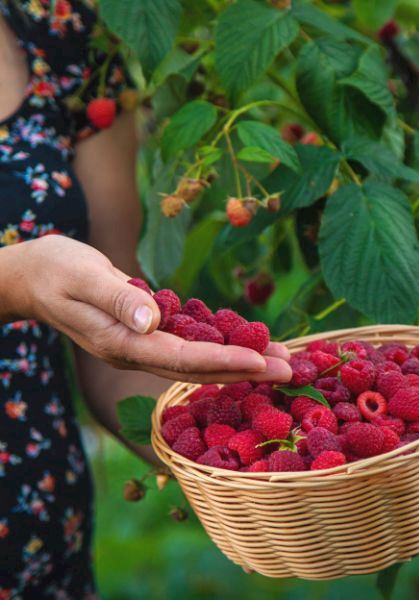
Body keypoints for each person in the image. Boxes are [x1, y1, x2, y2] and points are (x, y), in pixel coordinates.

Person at [0, 2, 292, 597]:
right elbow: (38, 278)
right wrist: (19, 282)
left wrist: (247, 446)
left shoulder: (63, 33)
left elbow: (118, 338)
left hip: (40, 541)